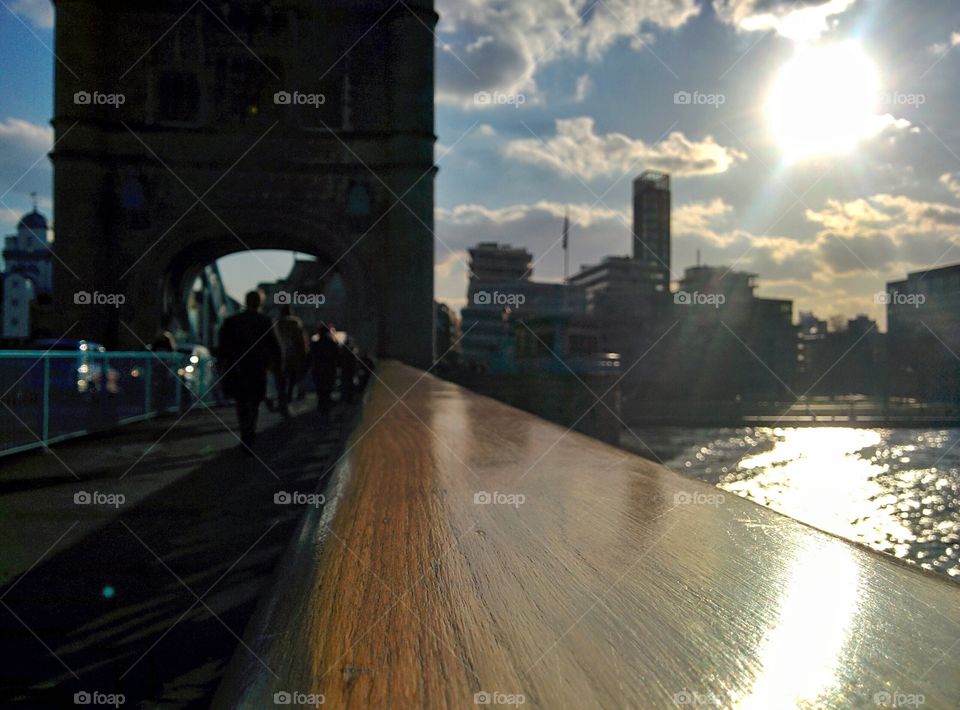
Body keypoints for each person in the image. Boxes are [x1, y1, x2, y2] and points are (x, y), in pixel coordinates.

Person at [217, 290, 281, 453]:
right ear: (259, 303)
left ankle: (245, 434)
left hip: (237, 367)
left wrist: (222, 365)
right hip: (257, 367)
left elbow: (223, 347)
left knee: (241, 402)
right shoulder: (264, 321)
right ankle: (250, 433)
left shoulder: (232, 321)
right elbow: (274, 346)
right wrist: (277, 365)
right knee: (255, 401)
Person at [274, 305, 309, 415]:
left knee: (281, 381)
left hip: (279, 356)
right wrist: (304, 354)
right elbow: (301, 340)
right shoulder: (295, 322)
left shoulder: (277, 323)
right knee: (292, 379)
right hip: (293, 356)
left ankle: (282, 399)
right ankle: (288, 398)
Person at [310, 324, 340, 412]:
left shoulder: (315, 344)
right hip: (329, 369)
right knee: (327, 389)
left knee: (320, 389)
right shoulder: (332, 344)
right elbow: (337, 356)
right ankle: (325, 405)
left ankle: (321, 404)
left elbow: (311, 356)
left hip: (318, 369)